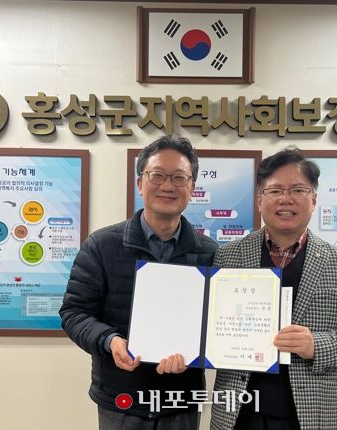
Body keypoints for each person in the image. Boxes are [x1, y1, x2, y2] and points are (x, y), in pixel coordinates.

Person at [210, 147, 337, 430]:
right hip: (238, 415)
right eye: (275, 190)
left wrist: (316, 345)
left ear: (313, 199)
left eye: (297, 190)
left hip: (313, 415)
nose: (286, 199)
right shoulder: (228, 256)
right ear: (259, 200)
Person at [60, 134, 218, 430]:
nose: (168, 186)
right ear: (140, 183)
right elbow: (74, 313)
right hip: (120, 398)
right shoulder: (102, 245)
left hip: (180, 399)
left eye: (179, 177)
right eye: (157, 175)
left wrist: (200, 350)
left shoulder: (211, 253)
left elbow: (217, 322)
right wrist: (110, 340)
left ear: (192, 187)